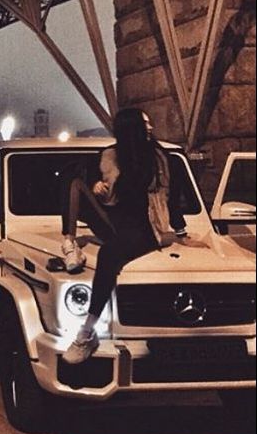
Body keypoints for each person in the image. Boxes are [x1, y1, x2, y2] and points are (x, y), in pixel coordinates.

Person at [60, 108, 186, 364]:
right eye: (145, 123)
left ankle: (87, 331)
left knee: (108, 254)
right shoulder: (110, 156)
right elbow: (102, 190)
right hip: (113, 221)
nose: (150, 127)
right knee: (74, 184)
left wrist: (180, 232)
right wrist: (97, 186)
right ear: (132, 128)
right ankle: (69, 242)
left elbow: (172, 200)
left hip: (145, 227)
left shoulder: (160, 158)